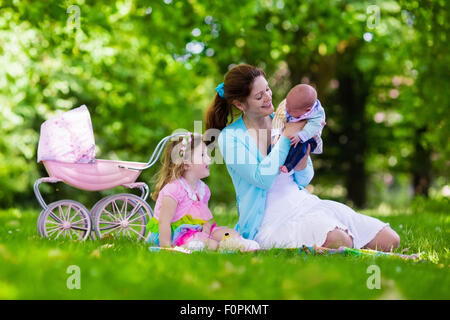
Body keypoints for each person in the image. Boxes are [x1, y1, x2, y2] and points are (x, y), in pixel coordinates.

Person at [205, 64, 400, 251]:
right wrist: (285, 138)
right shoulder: (231, 137)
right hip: (270, 220)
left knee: (390, 240)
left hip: (303, 203)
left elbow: (304, 179)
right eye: (259, 96)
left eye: (267, 89)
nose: (268, 97)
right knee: (340, 240)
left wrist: (303, 159)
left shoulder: (282, 120)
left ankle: (341, 240)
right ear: (240, 104)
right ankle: (337, 241)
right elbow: (262, 180)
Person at [146, 131, 260, 251]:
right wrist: (166, 247)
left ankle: (236, 241)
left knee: (228, 233)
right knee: (209, 244)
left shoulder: (203, 190)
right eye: (202, 155)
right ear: (186, 164)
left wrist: (206, 226)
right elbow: (164, 222)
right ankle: (224, 246)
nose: (209, 159)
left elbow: (203, 215)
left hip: (197, 230)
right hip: (175, 234)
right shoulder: (173, 189)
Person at [271, 84, 326, 173]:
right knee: (276, 141)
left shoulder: (317, 113)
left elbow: (313, 126)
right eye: (287, 105)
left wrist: (300, 136)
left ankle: (289, 165)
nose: (287, 109)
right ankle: (276, 157)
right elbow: (279, 117)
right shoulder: (288, 104)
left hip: (307, 137)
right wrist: (277, 133)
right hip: (289, 130)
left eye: (291, 110)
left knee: (301, 148)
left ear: (307, 110)